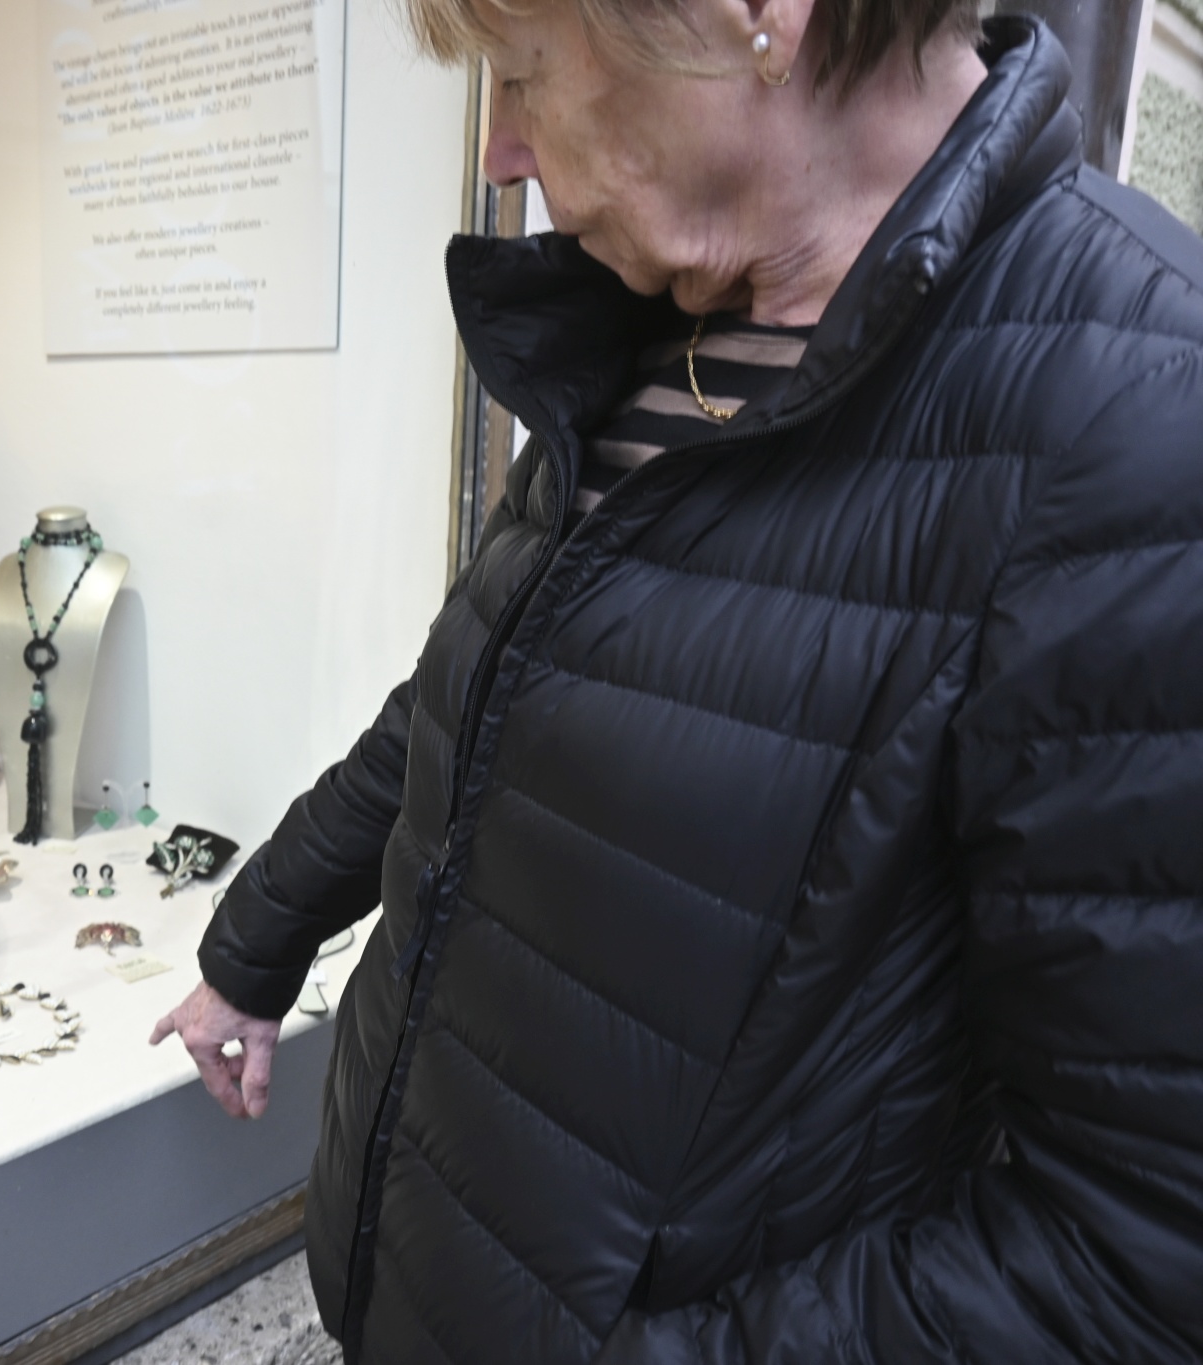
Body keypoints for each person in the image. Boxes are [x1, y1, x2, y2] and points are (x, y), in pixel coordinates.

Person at [150, 0, 1203, 1359]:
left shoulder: (1139, 421)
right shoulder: (669, 323)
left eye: (523, 72)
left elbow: (1136, 1258)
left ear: (756, 16)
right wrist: (258, 938)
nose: (503, 151)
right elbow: (478, 696)